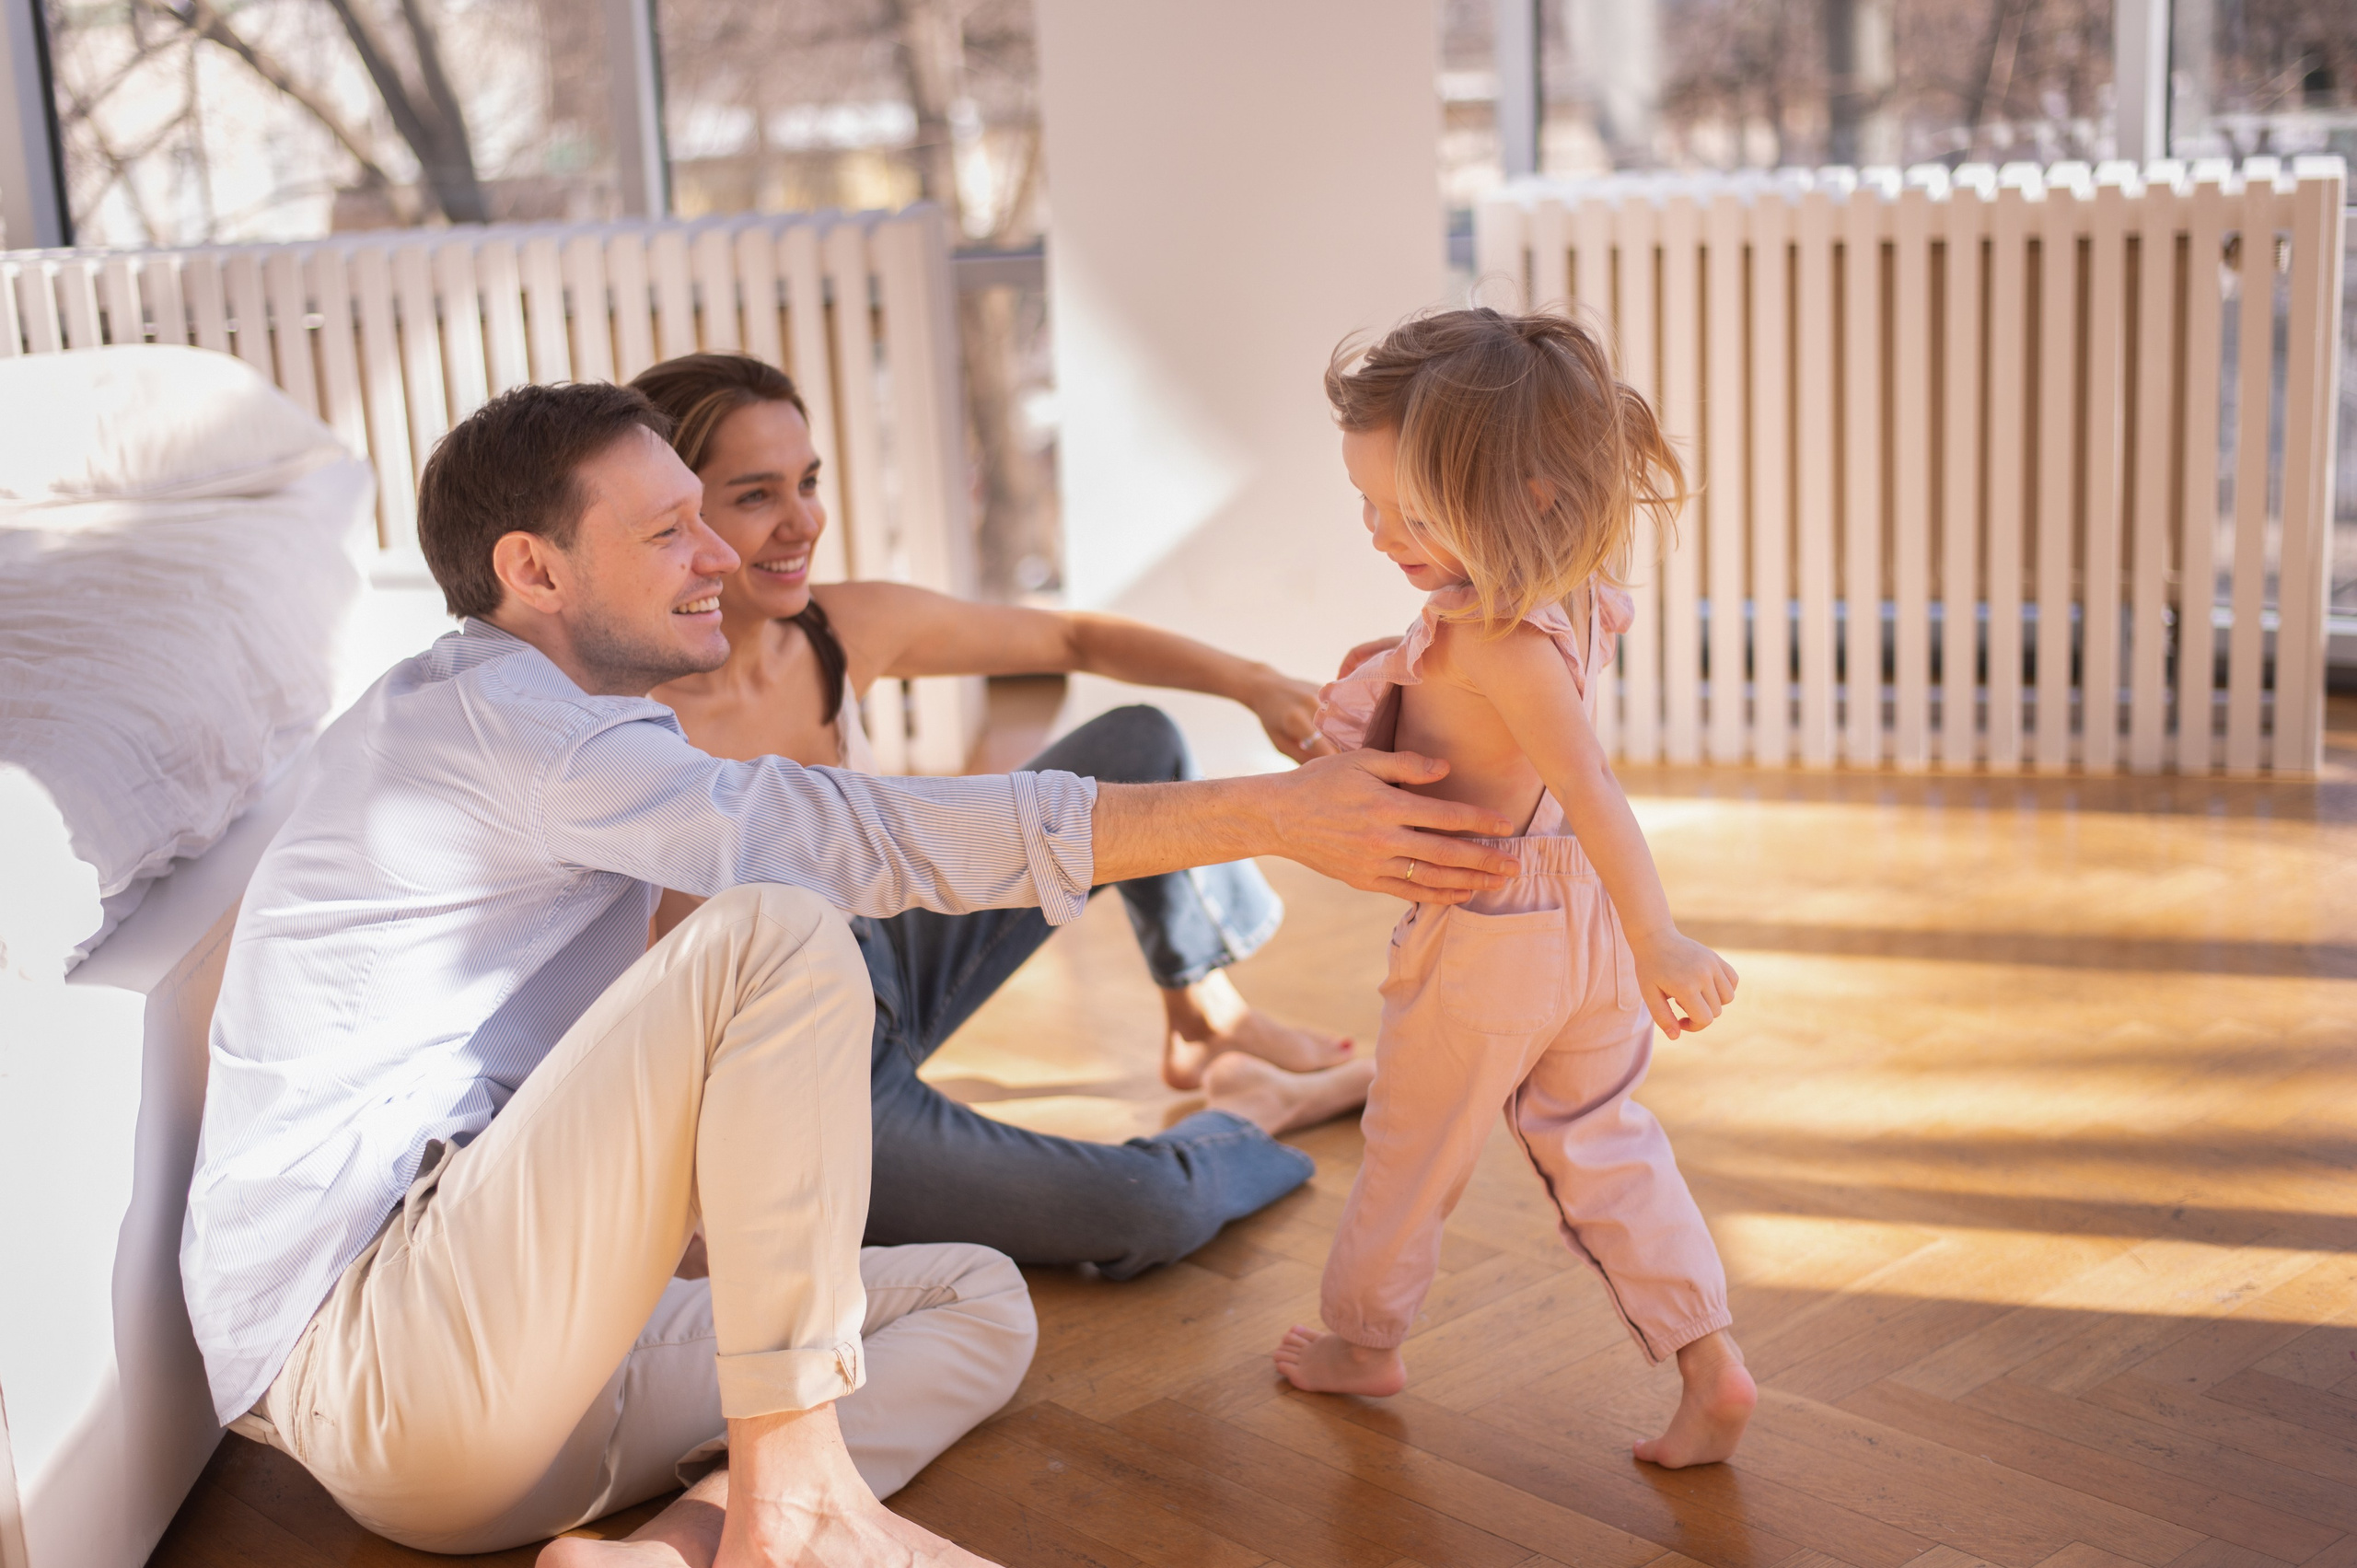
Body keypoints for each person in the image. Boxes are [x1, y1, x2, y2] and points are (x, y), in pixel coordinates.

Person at [180, 379, 1524, 1568]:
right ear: (533, 567)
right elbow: (836, 840)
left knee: (979, 1301)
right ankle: (802, 1503)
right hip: (380, 1353)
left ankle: (682, 1545)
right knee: (781, 923)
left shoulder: (576, 720)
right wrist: (1279, 812)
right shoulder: (505, 723)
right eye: (672, 529)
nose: (720, 551)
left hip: (501, 1417)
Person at [628, 353, 1374, 1279]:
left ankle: (1205, 1017)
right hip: (801, 1085)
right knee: (1150, 1208)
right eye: (755, 495)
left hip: (883, 962)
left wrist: (1258, 684)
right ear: (677, 516)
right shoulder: (630, 729)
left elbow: (1071, 636)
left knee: (1135, 742)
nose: (804, 520)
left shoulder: (833, 629)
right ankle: (1251, 1117)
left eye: (808, 481)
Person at [1268, 309, 1756, 1470]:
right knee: (1605, 1137)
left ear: (1529, 494)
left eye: (1416, 515)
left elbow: (1585, 781)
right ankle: (1708, 1359)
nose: (1385, 535)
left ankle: (1362, 1339)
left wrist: (1666, 939)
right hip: (1579, 923)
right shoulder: (1574, 597)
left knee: (1411, 1150)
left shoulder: (1490, 636)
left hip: (1490, 926)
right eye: (1369, 506)